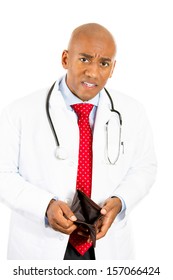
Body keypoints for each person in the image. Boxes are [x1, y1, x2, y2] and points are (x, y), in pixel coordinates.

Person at [0, 23, 157, 260]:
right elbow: (3, 173)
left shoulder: (133, 112)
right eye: (84, 59)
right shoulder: (19, 112)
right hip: (39, 248)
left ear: (113, 68)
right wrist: (44, 206)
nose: (93, 72)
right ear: (65, 59)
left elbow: (145, 168)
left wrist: (121, 201)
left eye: (104, 63)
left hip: (107, 246)